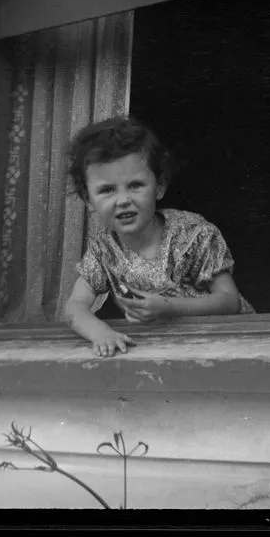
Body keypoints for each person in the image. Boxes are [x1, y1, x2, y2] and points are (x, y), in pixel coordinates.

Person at [63, 116, 254, 357]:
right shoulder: (104, 251)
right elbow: (75, 306)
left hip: (233, 342)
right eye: (107, 190)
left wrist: (169, 308)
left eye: (135, 185)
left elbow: (229, 301)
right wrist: (100, 333)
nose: (123, 200)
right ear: (88, 200)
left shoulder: (193, 234)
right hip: (172, 349)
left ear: (160, 186)